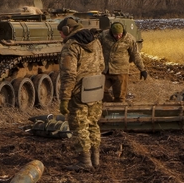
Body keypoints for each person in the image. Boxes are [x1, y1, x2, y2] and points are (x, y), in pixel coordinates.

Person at [56, 16, 105, 171]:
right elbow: (102, 64)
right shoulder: (96, 41)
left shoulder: (71, 46)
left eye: (61, 33)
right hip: (96, 88)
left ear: (66, 30)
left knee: (79, 126)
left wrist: (65, 99)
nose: (61, 36)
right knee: (93, 124)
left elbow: (68, 75)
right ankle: (95, 160)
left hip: (79, 92)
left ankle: (85, 162)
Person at [100, 21, 147, 103]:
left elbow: (135, 54)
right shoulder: (104, 35)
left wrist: (142, 69)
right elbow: (94, 44)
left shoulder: (129, 38)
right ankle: (109, 107)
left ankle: (118, 112)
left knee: (120, 98)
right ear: (111, 32)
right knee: (100, 91)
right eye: (115, 35)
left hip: (121, 71)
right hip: (106, 70)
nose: (118, 37)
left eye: (120, 34)